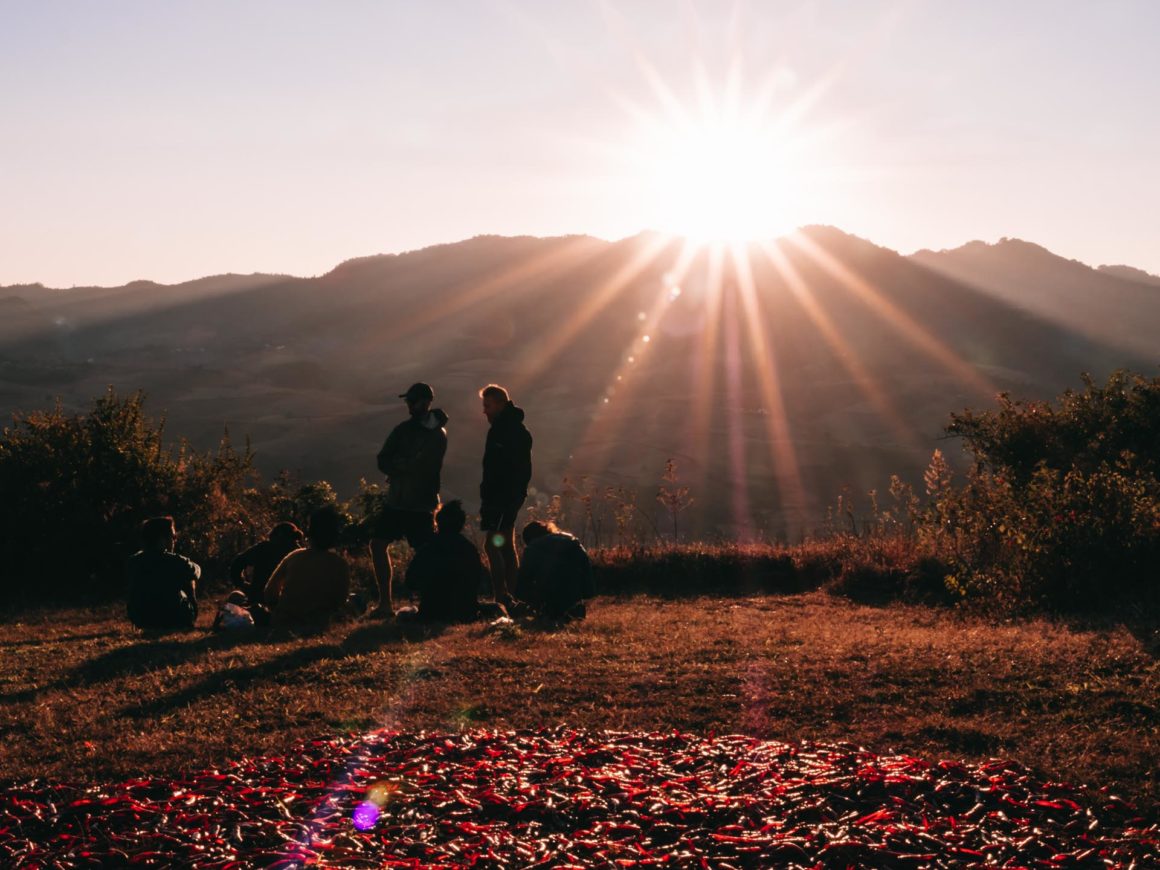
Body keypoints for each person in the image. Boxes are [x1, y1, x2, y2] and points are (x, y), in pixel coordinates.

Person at [369, 382, 448, 617]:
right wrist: (402, 465)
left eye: (411, 402)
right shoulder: (409, 430)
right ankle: (387, 603)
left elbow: (421, 465)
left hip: (417, 503)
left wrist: (397, 466)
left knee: (420, 550)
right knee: (381, 545)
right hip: (403, 501)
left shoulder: (432, 434)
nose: (408, 406)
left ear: (424, 403)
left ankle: (414, 602)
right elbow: (383, 459)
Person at [478, 384, 532, 607]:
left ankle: (500, 598)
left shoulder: (503, 430)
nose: (485, 411)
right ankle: (514, 596)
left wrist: (495, 496)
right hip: (510, 497)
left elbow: (502, 469)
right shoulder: (517, 429)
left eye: (488, 406)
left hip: (500, 498)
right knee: (507, 546)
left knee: (492, 546)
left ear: (501, 404)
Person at [403, 500, 492, 622]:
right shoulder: (470, 549)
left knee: (404, 613)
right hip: (465, 612)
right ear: (461, 524)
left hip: (432, 612)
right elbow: (478, 581)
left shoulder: (428, 548)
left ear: (437, 522)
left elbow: (410, 581)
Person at [263, 507, 351, 630]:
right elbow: (340, 600)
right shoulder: (340, 564)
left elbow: (269, 593)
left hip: (284, 621)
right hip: (317, 622)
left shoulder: (294, 556)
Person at [126, 516, 200, 631]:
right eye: (173, 537)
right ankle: (190, 620)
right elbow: (196, 571)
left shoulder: (133, 561)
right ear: (162, 539)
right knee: (189, 578)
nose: (175, 540)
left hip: (141, 618)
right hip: (174, 617)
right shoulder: (175, 561)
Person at [516, 520, 594, 620]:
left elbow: (522, 580)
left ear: (528, 539)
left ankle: (547, 609)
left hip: (549, 598)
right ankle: (571, 609)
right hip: (575, 597)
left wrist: (524, 600)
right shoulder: (574, 543)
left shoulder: (533, 548)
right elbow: (587, 575)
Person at [229, 522, 303, 606]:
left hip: (259, 602)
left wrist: (243, 585)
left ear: (277, 535)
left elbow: (237, 564)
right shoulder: (300, 553)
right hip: (289, 605)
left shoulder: (264, 548)